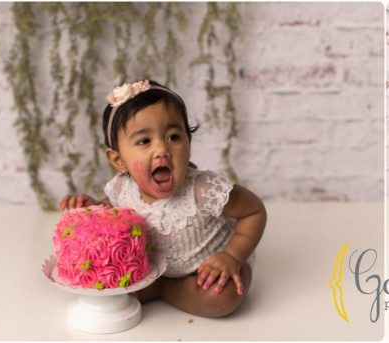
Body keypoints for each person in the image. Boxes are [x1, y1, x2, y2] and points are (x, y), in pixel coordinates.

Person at [60, 79, 266, 318]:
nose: (162, 149)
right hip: (155, 266)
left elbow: (254, 211)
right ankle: (158, 284)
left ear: (188, 142)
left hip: (210, 266)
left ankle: (162, 290)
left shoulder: (202, 188)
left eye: (173, 137)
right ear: (118, 161)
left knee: (221, 297)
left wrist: (232, 255)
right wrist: (91, 208)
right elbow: (111, 213)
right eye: (144, 141)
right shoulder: (121, 188)